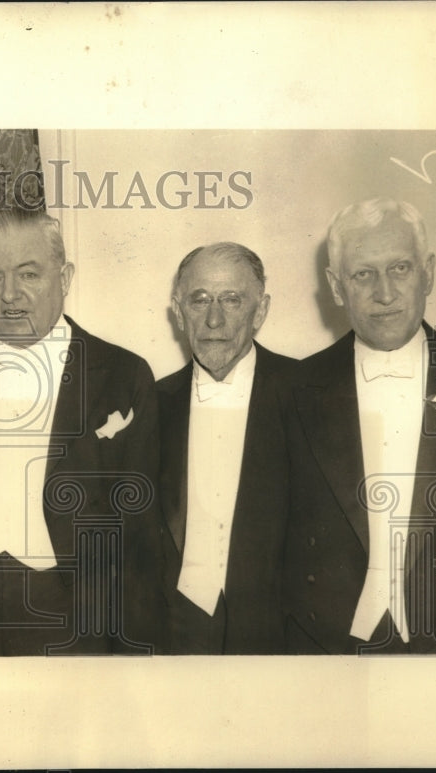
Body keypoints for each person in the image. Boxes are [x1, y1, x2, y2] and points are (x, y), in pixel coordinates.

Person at [0, 209, 167, 656]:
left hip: (77, 615)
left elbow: (140, 532)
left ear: (65, 276)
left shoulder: (122, 374)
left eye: (28, 274)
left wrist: (135, 653)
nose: (10, 295)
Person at [281, 198, 436, 655]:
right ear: (335, 286)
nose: (384, 293)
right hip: (323, 652)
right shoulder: (290, 391)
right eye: (363, 274)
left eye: (401, 269)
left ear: (428, 272)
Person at [154, 242, 295, 654]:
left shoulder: (307, 394)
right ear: (178, 312)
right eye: (199, 300)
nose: (214, 319)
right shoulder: (149, 404)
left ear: (261, 310)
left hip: (275, 638)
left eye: (232, 300)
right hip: (173, 635)